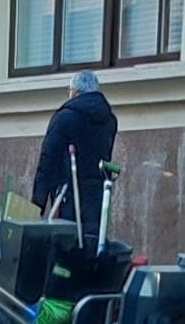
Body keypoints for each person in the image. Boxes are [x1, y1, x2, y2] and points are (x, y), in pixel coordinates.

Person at [29, 71, 119, 250]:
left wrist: (37, 204)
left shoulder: (65, 117)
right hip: (97, 197)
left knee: (66, 252)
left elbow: (47, 161)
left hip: (69, 194)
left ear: (75, 92)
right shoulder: (109, 120)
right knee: (91, 246)